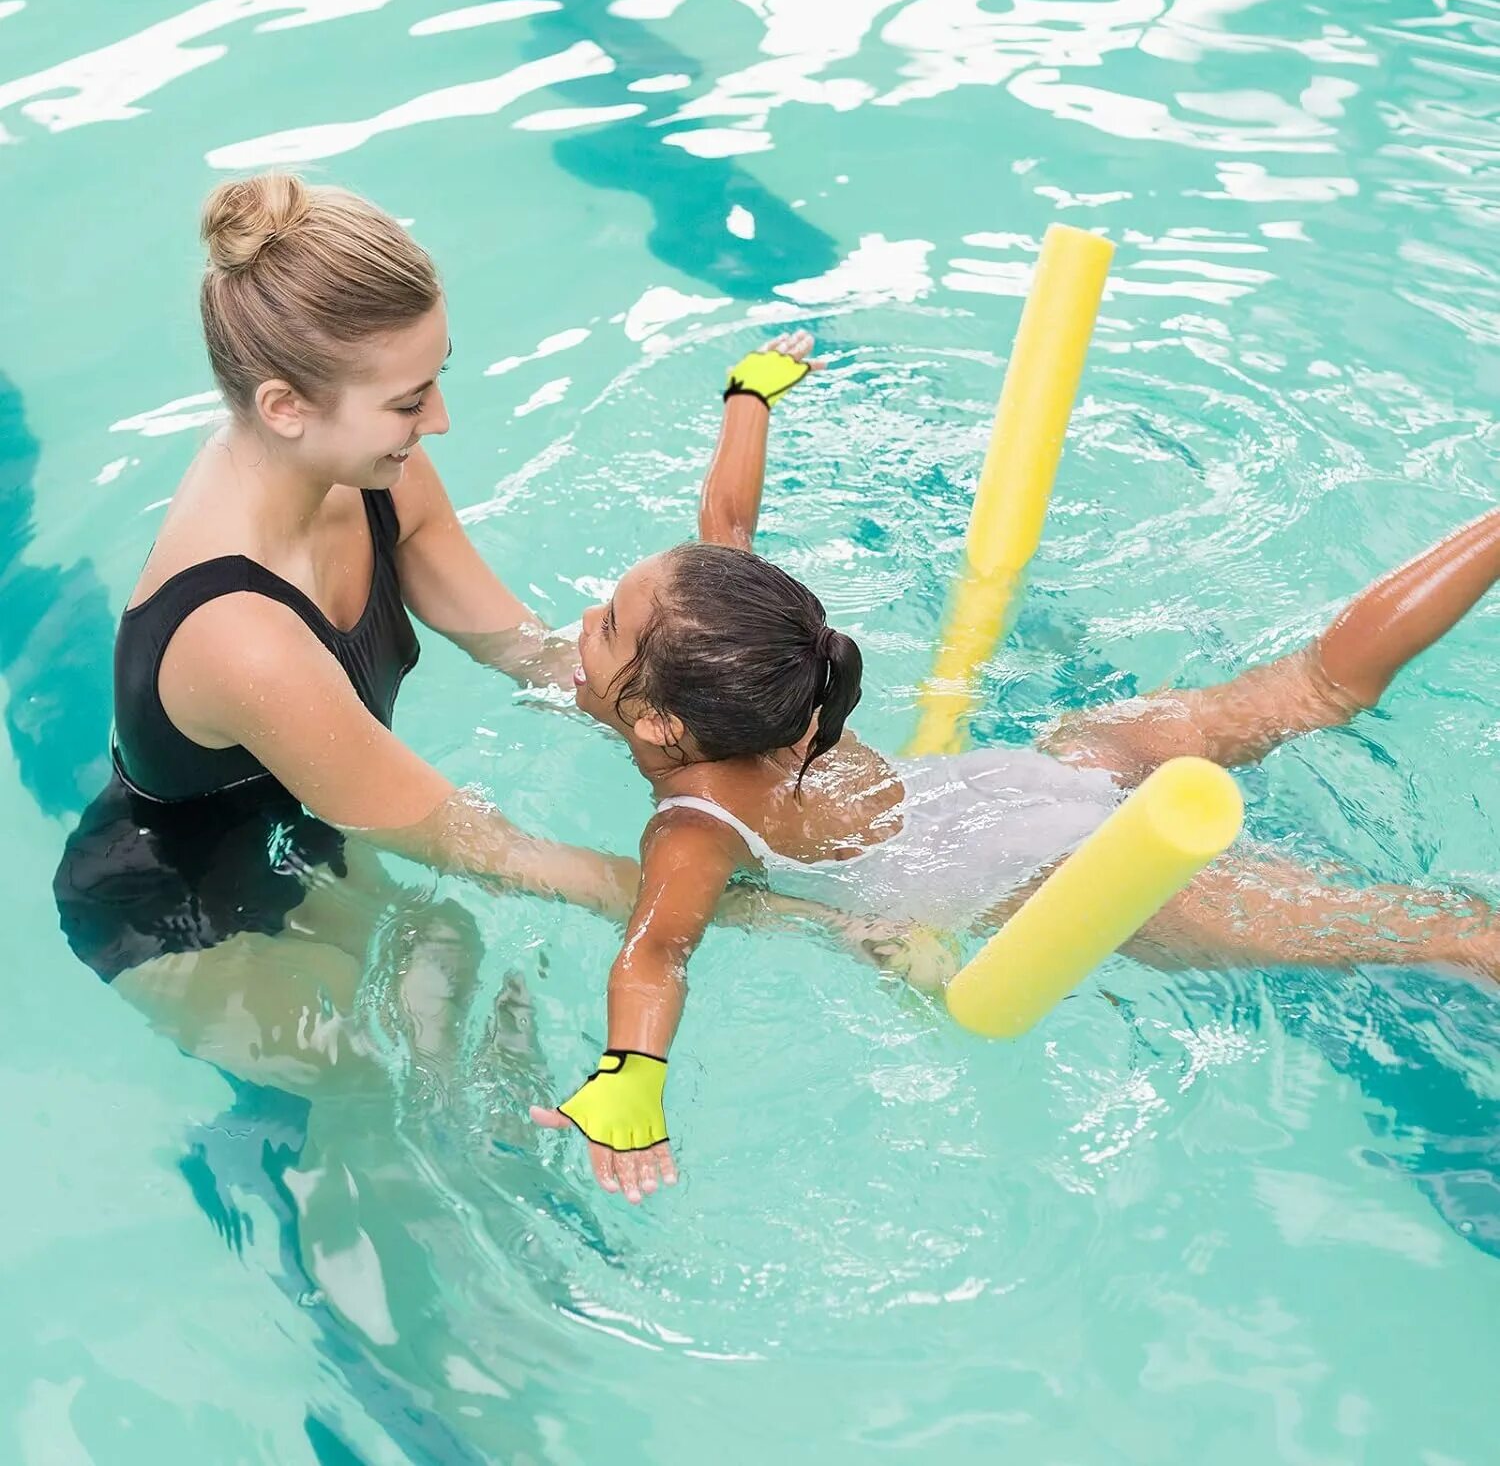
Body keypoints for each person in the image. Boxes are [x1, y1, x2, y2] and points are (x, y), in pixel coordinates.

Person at [530, 335, 1500, 1202]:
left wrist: (632, 1075)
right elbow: (728, 524)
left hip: (1056, 881)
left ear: (657, 724)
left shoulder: (693, 825)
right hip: (1024, 778)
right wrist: (750, 397)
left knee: (1442, 934)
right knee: (1313, 685)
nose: (585, 623)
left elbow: (657, 949)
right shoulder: (777, 674)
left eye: (607, 623)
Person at [51, 174, 908, 1098]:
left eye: (436, 380)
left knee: (452, 964)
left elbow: (529, 654)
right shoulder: (240, 639)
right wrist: (795, 917)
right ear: (285, 406)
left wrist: (728, 735)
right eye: (408, 401)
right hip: (190, 909)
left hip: (313, 830)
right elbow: (487, 849)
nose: (439, 422)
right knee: (390, 1086)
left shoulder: (375, 473)